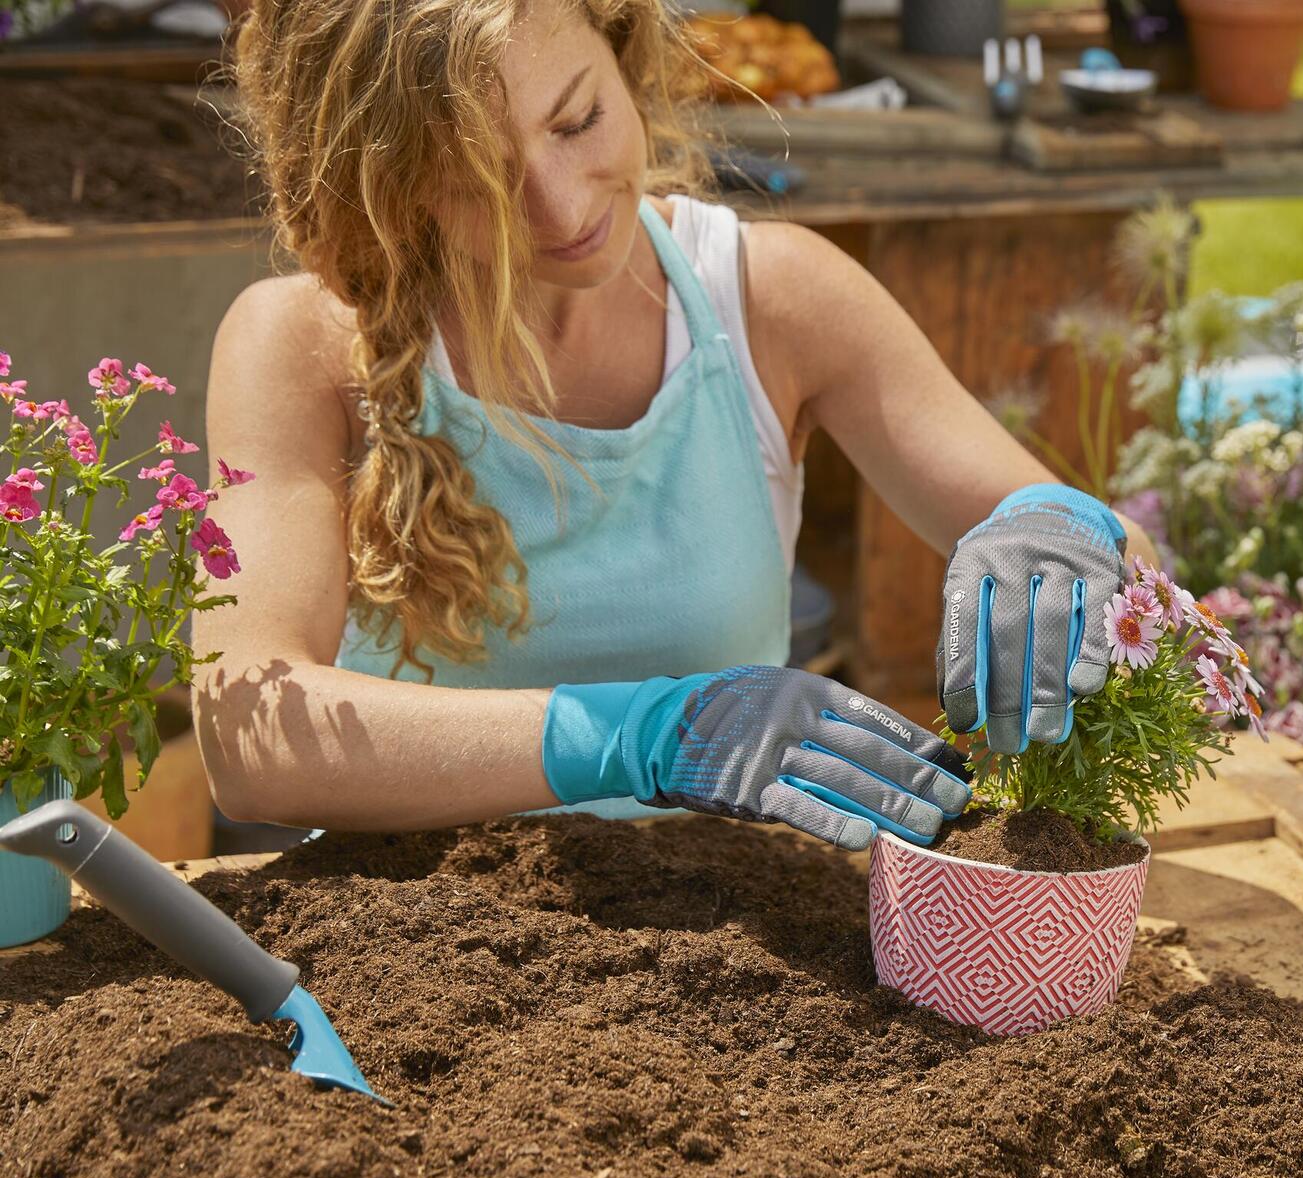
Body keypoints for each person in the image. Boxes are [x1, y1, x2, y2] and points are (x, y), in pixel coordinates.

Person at [193, 0, 1154, 853]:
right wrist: (639, 735)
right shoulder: (307, 345)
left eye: (578, 120)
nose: (562, 207)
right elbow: (250, 735)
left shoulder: (768, 299)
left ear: (618, 43)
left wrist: (1059, 534)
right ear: (380, 184)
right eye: (470, 179)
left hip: (726, 955)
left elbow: (1119, 562)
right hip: (413, 959)